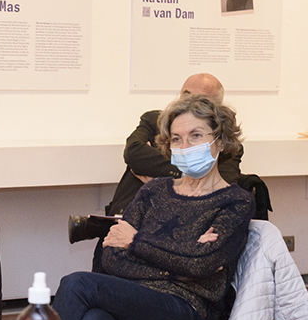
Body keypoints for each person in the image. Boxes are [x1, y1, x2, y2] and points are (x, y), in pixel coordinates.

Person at [53, 94, 255, 320]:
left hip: (185, 315)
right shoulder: (154, 190)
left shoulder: (235, 202)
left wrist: (135, 241)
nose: (185, 146)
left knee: (77, 283)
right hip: (135, 306)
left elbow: (200, 264)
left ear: (220, 141)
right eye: (176, 139)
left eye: (196, 136)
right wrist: (180, 264)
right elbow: (112, 258)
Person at [68, 74, 244, 269]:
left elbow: (223, 180)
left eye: (196, 136)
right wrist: (186, 171)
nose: (190, 104)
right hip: (125, 219)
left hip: (176, 235)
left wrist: (178, 178)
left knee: (83, 282)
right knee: (88, 277)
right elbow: (134, 153)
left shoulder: (226, 148)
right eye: (176, 139)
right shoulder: (155, 120)